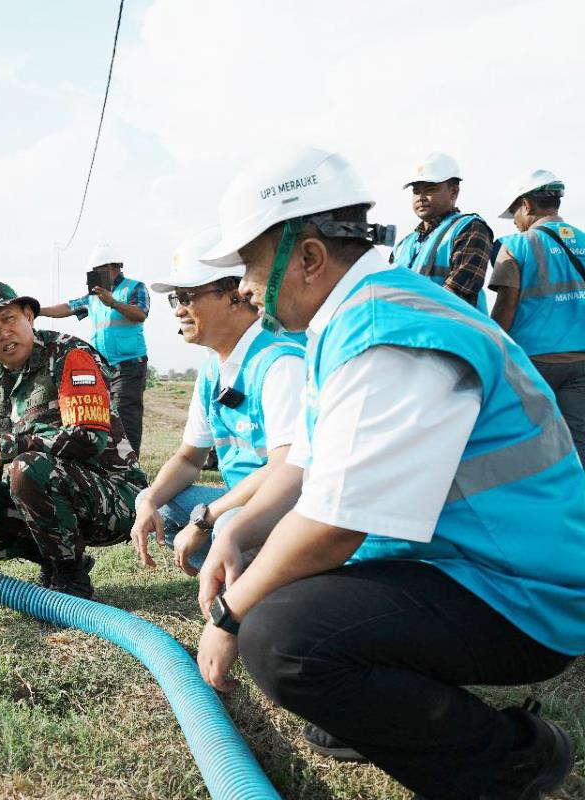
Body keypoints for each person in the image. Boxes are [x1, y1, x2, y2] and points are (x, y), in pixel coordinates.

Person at [191, 145, 582, 800]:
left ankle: (514, 760)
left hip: (526, 594)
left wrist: (229, 615)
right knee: (268, 561)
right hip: (472, 564)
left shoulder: (386, 332)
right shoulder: (351, 319)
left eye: (251, 270)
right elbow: (306, 468)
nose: (243, 290)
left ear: (309, 258)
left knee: (283, 639)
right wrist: (234, 530)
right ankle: (378, 714)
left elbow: (332, 527)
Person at [0, 281, 147, 599]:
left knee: (27, 467)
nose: (2, 334)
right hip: (46, 496)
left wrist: (5, 446)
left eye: (9, 319)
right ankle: (60, 559)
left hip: (116, 499)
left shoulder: (72, 355)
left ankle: (70, 580)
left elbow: (89, 437)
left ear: (29, 316)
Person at [130, 231, 304, 574]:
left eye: (187, 296)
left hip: (289, 506)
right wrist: (149, 499)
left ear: (234, 296)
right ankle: (235, 568)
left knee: (229, 525)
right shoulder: (213, 369)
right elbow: (189, 458)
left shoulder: (280, 364)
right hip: (241, 499)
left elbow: (284, 469)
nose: (179, 310)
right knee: (158, 504)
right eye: (175, 299)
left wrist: (206, 519)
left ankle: (253, 592)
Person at [490, 170, 585, 466]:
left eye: (515, 213)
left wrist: (492, 348)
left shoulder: (517, 245)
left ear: (527, 206)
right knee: (577, 447)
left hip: (533, 363)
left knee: (529, 446)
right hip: (581, 362)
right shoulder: (583, 239)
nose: (516, 223)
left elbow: (506, 305)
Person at [39, 244, 151, 456]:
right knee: (105, 413)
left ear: (112, 267)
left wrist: (114, 303)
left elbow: (140, 314)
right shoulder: (93, 297)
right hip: (102, 365)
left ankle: (131, 464)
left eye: (96, 271)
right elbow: (68, 307)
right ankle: (113, 459)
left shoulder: (134, 287)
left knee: (126, 415)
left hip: (129, 364)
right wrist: (38, 311)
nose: (93, 276)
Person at [390, 152, 494, 312]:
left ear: (454, 191)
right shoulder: (402, 246)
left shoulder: (470, 228)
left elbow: (458, 293)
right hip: (411, 334)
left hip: (454, 334)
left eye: (430, 188)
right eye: (416, 191)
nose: (421, 197)